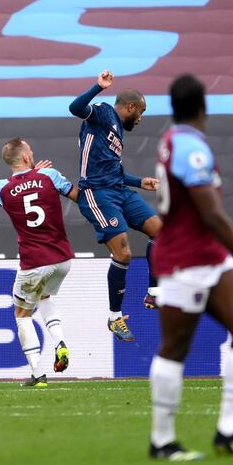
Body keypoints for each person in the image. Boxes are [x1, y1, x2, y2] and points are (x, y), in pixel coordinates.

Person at [148, 74, 233, 461]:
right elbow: (211, 213)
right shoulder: (188, 146)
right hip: (184, 259)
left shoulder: (175, 140)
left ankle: (229, 432)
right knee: (176, 346)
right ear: (204, 106)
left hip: (210, 258)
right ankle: (162, 440)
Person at [68, 70, 161, 342]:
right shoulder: (103, 112)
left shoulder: (117, 129)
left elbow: (112, 169)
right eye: (140, 112)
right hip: (98, 194)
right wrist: (98, 86)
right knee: (123, 253)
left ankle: (155, 292)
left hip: (118, 190)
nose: (140, 119)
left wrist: (138, 181)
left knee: (161, 231)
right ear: (130, 107)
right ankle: (114, 317)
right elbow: (75, 108)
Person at [0, 138, 78, 387]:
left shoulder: (1, 188)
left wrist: (32, 176)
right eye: (31, 150)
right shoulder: (49, 175)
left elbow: (22, 193)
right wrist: (41, 174)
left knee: (22, 314)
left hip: (33, 261)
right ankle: (59, 342)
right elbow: (76, 196)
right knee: (45, 298)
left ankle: (37, 374)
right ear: (27, 158)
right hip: (62, 258)